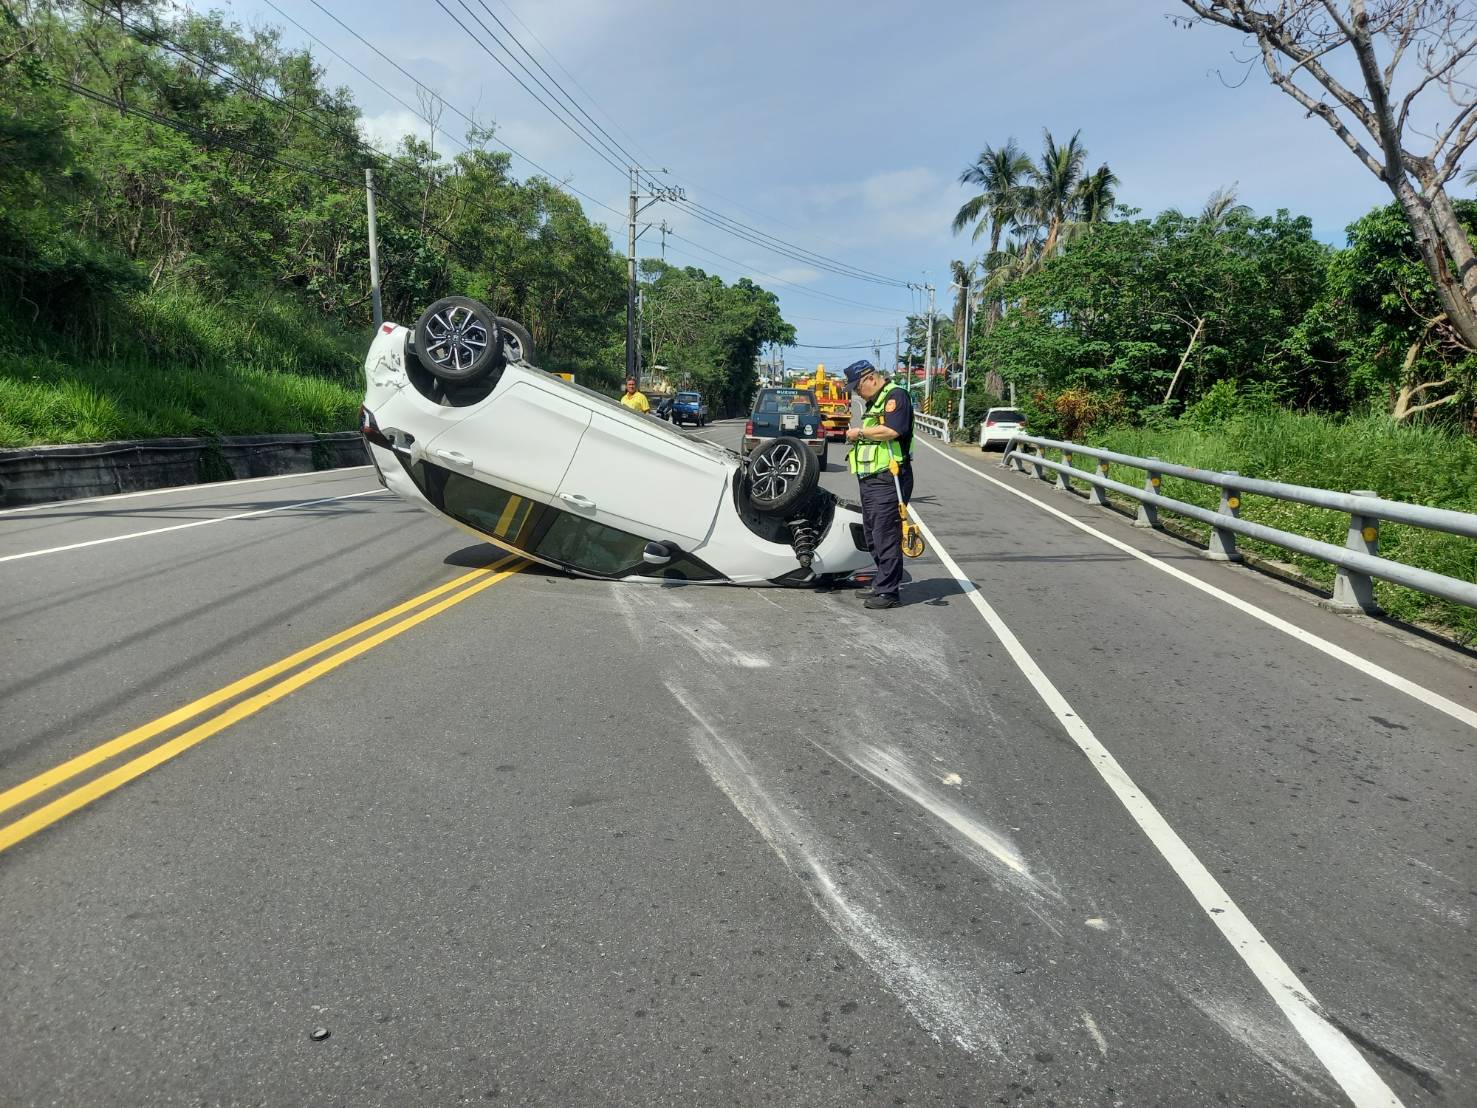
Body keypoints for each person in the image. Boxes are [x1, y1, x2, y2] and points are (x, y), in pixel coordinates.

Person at [843, 359, 914, 610]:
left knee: (886, 534)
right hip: (873, 478)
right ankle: (881, 580)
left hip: (890, 476)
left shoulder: (896, 396)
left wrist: (859, 432)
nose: (856, 393)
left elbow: (893, 431)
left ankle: (889, 592)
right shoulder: (876, 400)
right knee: (873, 533)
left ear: (870, 379)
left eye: (857, 388)